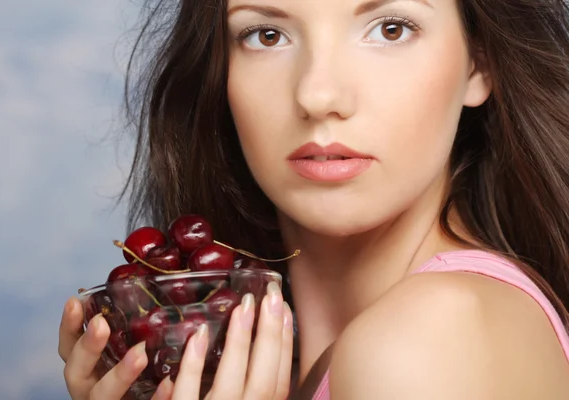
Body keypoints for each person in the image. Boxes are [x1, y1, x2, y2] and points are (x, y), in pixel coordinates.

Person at [58, 0, 569, 398]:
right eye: (267, 35)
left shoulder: (432, 340)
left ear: (480, 64)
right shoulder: (245, 360)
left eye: (391, 28)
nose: (318, 95)